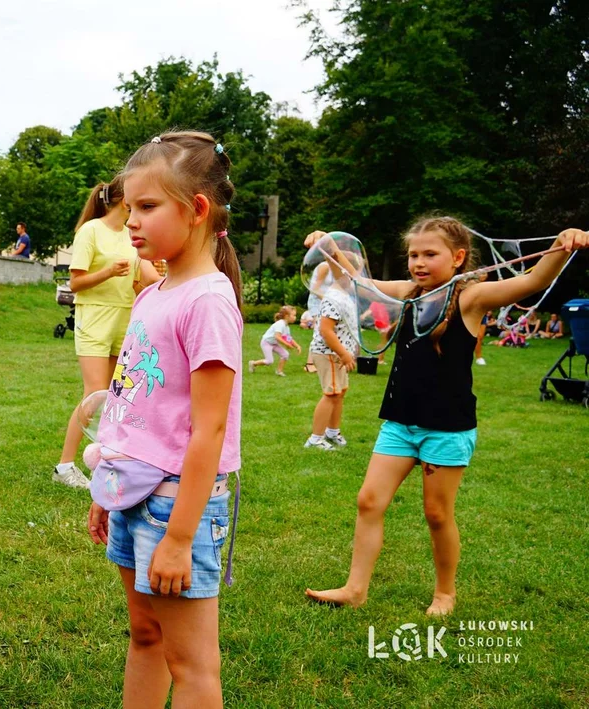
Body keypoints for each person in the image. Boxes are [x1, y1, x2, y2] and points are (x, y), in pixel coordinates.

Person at [304, 219, 588, 617]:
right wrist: (329, 247)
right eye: (413, 255)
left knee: (437, 514)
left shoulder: (473, 298)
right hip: (400, 422)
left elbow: (530, 282)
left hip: (446, 427)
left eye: (429, 254)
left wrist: (562, 245)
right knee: (369, 501)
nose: (418, 262)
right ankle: (355, 588)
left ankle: (445, 593)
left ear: (457, 258)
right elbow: (358, 282)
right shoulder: (409, 293)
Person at [86, 132, 243, 709]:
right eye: (129, 207)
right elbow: (131, 403)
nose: (131, 221)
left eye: (147, 207)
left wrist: (179, 537)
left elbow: (211, 430)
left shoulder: (207, 301)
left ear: (197, 209)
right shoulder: (156, 293)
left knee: (192, 664)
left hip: (178, 505)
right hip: (132, 491)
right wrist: (106, 485)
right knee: (145, 635)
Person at [52, 177, 159, 489]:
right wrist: (109, 272)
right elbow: (75, 283)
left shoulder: (132, 234)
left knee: (117, 395)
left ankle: (106, 460)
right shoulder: (91, 231)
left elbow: (149, 276)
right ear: (124, 199)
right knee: (95, 392)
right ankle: (64, 466)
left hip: (125, 318)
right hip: (95, 317)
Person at [304, 251, 359, 451]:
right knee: (331, 393)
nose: (357, 278)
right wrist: (344, 353)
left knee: (339, 392)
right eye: (355, 273)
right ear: (344, 272)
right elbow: (326, 330)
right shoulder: (334, 297)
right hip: (329, 353)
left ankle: (332, 432)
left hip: (337, 353)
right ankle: (315, 439)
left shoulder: (345, 296)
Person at [248, 306, 301, 376]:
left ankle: (279, 371)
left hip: (274, 343)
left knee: (285, 354)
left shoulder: (286, 327)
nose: (295, 317)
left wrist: (297, 346)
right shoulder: (280, 324)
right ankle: (253, 363)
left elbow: (288, 338)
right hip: (266, 343)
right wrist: (287, 344)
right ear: (287, 316)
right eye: (294, 315)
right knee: (269, 361)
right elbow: (277, 336)